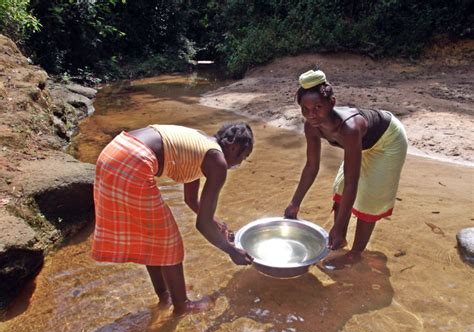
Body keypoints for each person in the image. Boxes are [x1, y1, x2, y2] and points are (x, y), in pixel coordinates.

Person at [91, 122, 254, 315]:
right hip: (133, 162)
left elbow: (191, 200)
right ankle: (182, 305)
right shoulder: (217, 162)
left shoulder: (202, 147)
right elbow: (202, 224)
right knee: (169, 243)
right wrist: (231, 250)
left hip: (114, 152)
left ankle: (165, 296)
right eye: (243, 157)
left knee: (152, 238)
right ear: (234, 147)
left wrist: (215, 221)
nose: (239, 164)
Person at [284, 69, 407, 268]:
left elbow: (353, 181)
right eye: (305, 109)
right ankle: (339, 239)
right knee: (339, 188)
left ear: (332, 102)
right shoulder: (311, 126)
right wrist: (294, 203)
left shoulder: (348, 128)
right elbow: (311, 166)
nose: (312, 114)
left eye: (317, 107)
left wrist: (338, 226)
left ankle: (356, 253)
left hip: (387, 141)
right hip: (362, 144)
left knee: (369, 198)